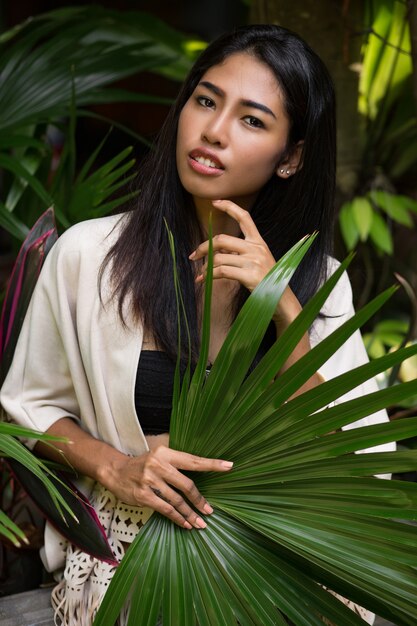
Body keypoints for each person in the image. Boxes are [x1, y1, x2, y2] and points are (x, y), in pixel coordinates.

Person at [0, 24, 393, 625]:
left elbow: (355, 469)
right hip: (138, 559)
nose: (213, 130)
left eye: (252, 120)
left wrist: (281, 306)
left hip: (280, 565)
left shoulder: (323, 287)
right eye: (206, 101)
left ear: (291, 158)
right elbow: (29, 407)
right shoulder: (88, 256)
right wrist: (115, 468)